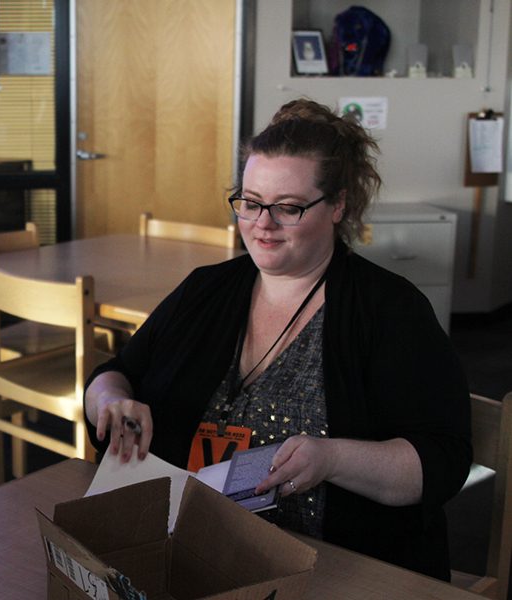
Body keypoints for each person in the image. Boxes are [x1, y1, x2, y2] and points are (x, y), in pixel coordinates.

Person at [83, 98, 471, 580]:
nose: (261, 224)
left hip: (334, 569)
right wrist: (111, 402)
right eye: (249, 202)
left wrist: (332, 458)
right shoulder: (207, 289)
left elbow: (443, 462)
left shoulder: (390, 311)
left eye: (287, 207)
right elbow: (114, 374)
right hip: (193, 554)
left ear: (339, 205)